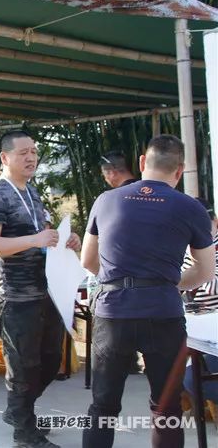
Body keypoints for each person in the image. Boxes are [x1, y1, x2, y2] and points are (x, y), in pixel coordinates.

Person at [80, 135, 215, 448]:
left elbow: (88, 260)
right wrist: (165, 283)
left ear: (142, 162)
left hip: (113, 312)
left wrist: (119, 280)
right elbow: (205, 271)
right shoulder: (191, 207)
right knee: (166, 408)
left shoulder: (106, 200)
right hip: (163, 313)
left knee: (103, 407)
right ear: (179, 171)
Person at [0, 130, 81, 448]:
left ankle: (16, 410)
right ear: (5, 157)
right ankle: (25, 433)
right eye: (23, 152)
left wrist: (64, 241)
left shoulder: (32, 193)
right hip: (14, 296)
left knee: (51, 360)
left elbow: (39, 239)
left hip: (43, 291)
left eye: (34, 151)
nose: (31, 157)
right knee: (24, 367)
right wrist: (36, 240)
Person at [98, 150, 142, 375]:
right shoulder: (148, 191)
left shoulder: (113, 199)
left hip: (123, 271)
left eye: (105, 175)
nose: (106, 180)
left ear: (112, 172)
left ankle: (127, 361)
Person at [183, 198, 218, 407]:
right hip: (189, 330)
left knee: (192, 379)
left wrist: (203, 264)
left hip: (211, 336)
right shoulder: (184, 251)